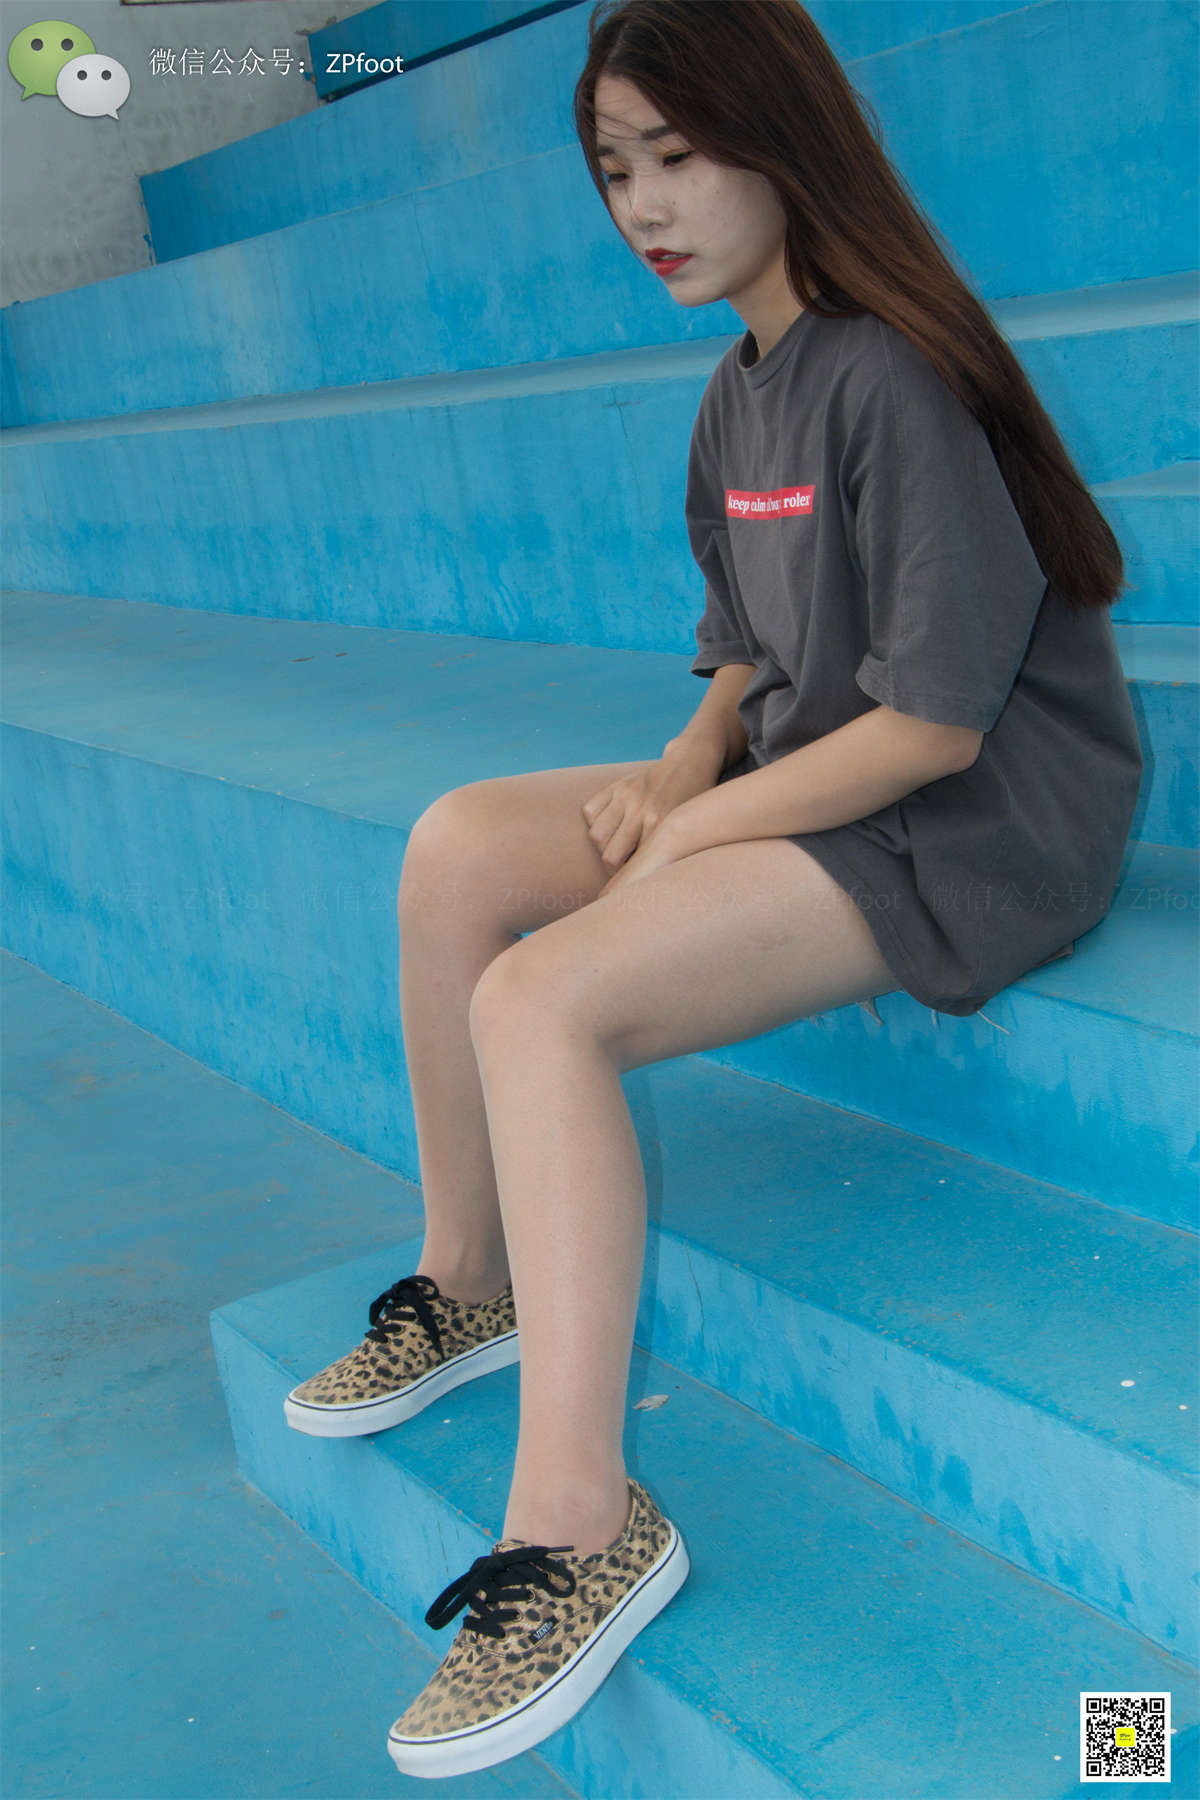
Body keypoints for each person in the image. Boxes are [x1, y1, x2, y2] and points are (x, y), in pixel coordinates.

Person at [283, 0, 1144, 1777]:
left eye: (677, 156)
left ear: (784, 141)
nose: (644, 206)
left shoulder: (893, 377)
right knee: (457, 847)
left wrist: (698, 840)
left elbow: (936, 722)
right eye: (616, 170)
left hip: (971, 821)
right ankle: (468, 1277)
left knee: (544, 997)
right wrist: (686, 769)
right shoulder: (739, 389)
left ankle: (582, 1523)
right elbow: (747, 652)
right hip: (818, 772)